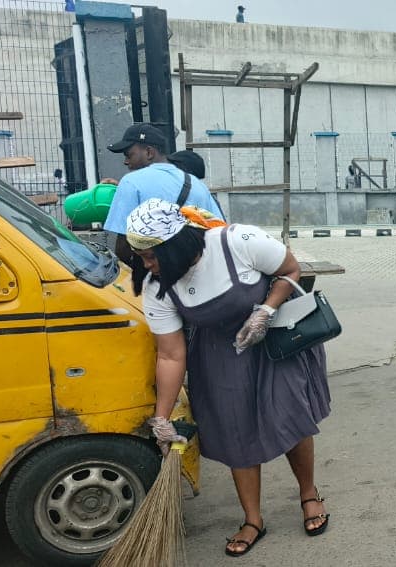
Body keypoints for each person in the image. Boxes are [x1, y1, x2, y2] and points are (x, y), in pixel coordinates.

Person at [127, 199, 331, 557]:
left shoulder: (237, 242)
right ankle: (253, 520)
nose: (146, 265)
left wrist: (266, 309)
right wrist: (162, 415)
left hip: (274, 343)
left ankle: (309, 494)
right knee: (236, 433)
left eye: (151, 255)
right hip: (219, 358)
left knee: (292, 421)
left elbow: (291, 270)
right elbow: (171, 354)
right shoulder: (158, 288)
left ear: (177, 244)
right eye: (140, 257)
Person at [102, 124, 224, 265]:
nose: (126, 161)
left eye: (129, 155)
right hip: (200, 270)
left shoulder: (131, 182)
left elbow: (124, 242)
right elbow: (219, 231)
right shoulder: (197, 184)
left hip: (160, 277)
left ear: (149, 152)